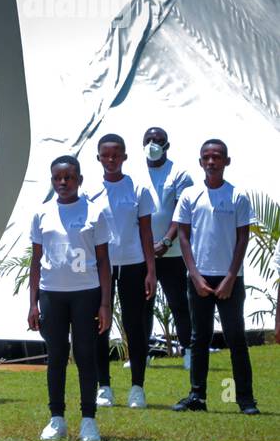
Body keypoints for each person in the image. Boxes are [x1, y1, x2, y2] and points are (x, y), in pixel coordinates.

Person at [27, 155, 112, 441]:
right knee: (57, 358)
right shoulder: (42, 214)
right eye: (57, 178)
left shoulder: (95, 212)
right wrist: (33, 302)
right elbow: (36, 262)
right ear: (52, 181)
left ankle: (88, 420)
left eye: (69, 177)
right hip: (52, 295)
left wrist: (105, 304)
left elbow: (103, 261)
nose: (63, 183)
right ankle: (57, 419)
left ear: (79, 180)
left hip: (86, 294)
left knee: (86, 355)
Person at [172, 140, 258, 414]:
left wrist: (231, 276)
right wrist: (195, 276)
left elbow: (243, 238)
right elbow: (183, 237)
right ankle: (197, 396)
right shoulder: (190, 195)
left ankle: (244, 399)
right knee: (200, 338)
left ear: (226, 161)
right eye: (207, 158)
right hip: (200, 277)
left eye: (217, 157)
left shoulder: (237, 196)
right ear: (200, 162)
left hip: (230, 277)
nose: (212, 162)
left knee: (235, 337)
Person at [90, 134, 157, 409]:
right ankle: (103, 386)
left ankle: (137, 388)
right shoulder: (88, 190)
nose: (111, 160)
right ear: (98, 158)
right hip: (98, 267)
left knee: (135, 326)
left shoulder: (138, 188)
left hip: (133, 264)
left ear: (125, 157)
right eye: (106, 155)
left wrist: (151, 271)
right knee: (99, 327)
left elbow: (146, 230)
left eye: (116, 155)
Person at [142, 127, 196, 361]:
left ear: (167, 145)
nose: (153, 144)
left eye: (158, 140)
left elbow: (182, 213)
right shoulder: (134, 173)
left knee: (179, 304)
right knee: (142, 306)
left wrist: (166, 241)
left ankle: (189, 351)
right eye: (149, 140)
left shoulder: (180, 174)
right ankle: (139, 353)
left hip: (171, 253)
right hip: (142, 254)